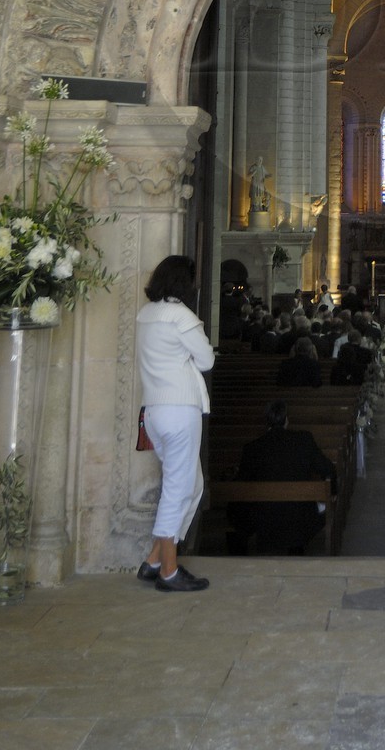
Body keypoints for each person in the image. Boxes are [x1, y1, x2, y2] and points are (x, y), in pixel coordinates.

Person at [135, 254, 214, 593]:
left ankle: (153, 560)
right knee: (177, 488)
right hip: (180, 409)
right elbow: (207, 359)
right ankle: (169, 570)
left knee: (191, 484)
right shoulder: (181, 317)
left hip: (154, 410)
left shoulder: (146, 314)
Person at [230, 399, 337, 554]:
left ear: (266, 422)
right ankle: (295, 546)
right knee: (315, 510)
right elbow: (328, 469)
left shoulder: (252, 448)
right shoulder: (304, 440)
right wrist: (333, 492)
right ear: (287, 420)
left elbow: (241, 486)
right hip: (300, 517)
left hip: (264, 518)